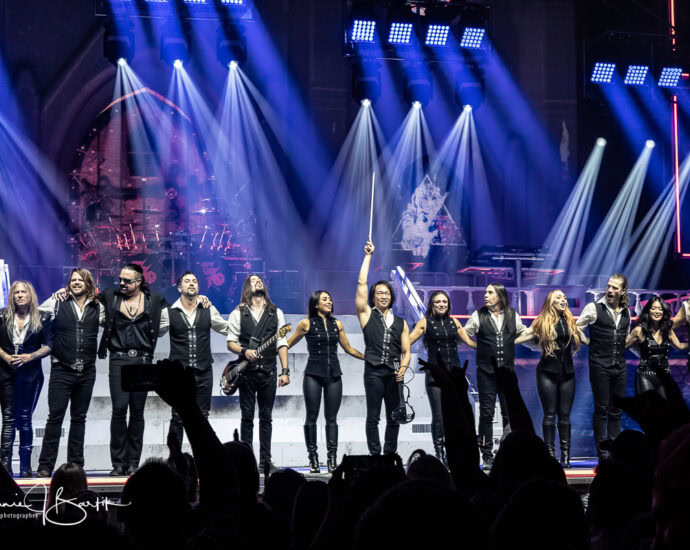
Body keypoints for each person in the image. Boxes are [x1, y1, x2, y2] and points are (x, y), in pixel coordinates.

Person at [98, 263, 168, 476]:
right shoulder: (110, 297)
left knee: (137, 412)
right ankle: (118, 463)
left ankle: (133, 463)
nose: (121, 283)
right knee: (119, 410)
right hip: (118, 359)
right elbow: (88, 298)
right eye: (120, 279)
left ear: (138, 281)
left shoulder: (154, 300)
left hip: (143, 360)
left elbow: (175, 312)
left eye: (127, 280)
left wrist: (201, 299)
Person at [36, 268, 105, 477]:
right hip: (61, 370)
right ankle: (45, 466)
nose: (75, 283)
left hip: (87, 371)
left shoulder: (98, 306)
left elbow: (113, 322)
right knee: (55, 418)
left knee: (79, 418)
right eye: (73, 280)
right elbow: (34, 315)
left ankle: (76, 465)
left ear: (88, 283)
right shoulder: (57, 302)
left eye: (80, 280)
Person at [287, 290, 364, 473]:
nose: (329, 301)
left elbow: (348, 348)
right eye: (325, 299)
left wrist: (367, 357)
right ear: (316, 304)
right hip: (313, 374)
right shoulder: (306, 324)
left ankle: (332, 459)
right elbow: (287, 344)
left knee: (332, 419)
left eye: (330, 299)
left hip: (334, 375)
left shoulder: (337, 324)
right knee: (311, 417)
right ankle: (313, 459)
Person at [226, 274, 290, 471]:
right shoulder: (238, 312)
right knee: (247, 418)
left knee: (266, 417)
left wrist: (285, 370)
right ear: (247, 287)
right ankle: (247, 463)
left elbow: (282, 342)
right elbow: (231, 342)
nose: (258, 281)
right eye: (253, 280)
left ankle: (265, 461)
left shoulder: (276, 312)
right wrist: (244, 351)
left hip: (269, 372)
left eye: (260, 279)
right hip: (246, 374)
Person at [159, 271, 229, 448]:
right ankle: (175, 459)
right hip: (179, 373)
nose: (191, 283)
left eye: (195, 281)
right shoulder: (169, 312)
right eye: (187, 281)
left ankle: (202, 458)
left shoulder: (208, 309)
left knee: (202, 416)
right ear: (179, 287)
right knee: (178, 416)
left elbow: (227, 328)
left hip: (204, 371)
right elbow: (156, 332)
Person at [355, 241, 411, 456]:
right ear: (373, 296)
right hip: (374, 372)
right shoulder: (366, 314)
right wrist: (368, 256)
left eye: (387, 293)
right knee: (373, 417)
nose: (384, 296)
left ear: (392, 296)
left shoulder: (401, 322)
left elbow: (406, 352)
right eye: (379, 293)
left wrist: (403, 368)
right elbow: (361, 282)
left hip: (394, 373)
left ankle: (389, 455)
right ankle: (375, 455)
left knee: (394, 416)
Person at [515, 289, 582, 467]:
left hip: (567, 372)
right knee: (550, 415)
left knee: (565, 416)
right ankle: (550, 455)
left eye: (564, 297)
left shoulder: (570, 321)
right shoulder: (542, 320)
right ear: (551, 301)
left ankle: (565, 457)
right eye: (559, 297)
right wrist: (507, 341)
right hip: (547, 371)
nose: (563, 299)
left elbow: (580, 339)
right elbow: (526, 336)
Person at [409, 290, 476, 465]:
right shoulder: (425, 322)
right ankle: (439, 453)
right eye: (438, 302)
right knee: (439, 415)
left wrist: (490, 346)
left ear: (448, 305)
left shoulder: (455, 322)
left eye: (444, 302)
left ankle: (455, 452)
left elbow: (470, 342)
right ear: (432, 304)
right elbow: (407, 341)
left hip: (454, 374)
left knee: (457, 414)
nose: (441, 305)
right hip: (435, 374)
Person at [463, 282, 526, 468]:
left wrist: (515, 341)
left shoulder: (512, 315)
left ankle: (507, 451)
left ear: (500, 295)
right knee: (487, 413)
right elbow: (464, 333)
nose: (486, 295)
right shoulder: (478, 315)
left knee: (509, 413)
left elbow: (523, 333)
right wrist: (474, 345)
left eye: (490, 292)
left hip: (506, 372)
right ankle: (486, 454)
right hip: (486, 371)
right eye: (485, 292)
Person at [0, 281, 53, 477]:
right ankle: (5, 467)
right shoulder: (2, 315)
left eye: (23, 292)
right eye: (16, 292)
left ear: (30, 295)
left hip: (31, 374)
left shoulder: (43, 317)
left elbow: (49, 345)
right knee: (8, 419)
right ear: (11, 296)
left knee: (25, 419)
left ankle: (25, 467)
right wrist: (6, 357)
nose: (20, 295)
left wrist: (29, 357)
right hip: (6, 373)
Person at [576, 273, 631, 460]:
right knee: (601, 409)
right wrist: (587, 342)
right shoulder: (593, 308)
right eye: (608, 286)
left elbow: (625, 335)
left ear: (623, 291)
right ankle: (602, 453)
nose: (610, 290)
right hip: (599, 364)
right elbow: (577, 327)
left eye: (615, 288)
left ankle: (614, 453)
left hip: (619, 365)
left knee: (616, 410)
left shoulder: (626, 311)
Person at [626, 295, 687, 399]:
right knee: (648, 406)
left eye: (660, 309)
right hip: (645, 376)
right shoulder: (639, 330)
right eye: (653, 308)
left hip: (664, 375)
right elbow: (623, 346)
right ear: (648, 311)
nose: (657, 311)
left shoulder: (667, 330)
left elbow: (679, 346)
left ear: (664, 312)